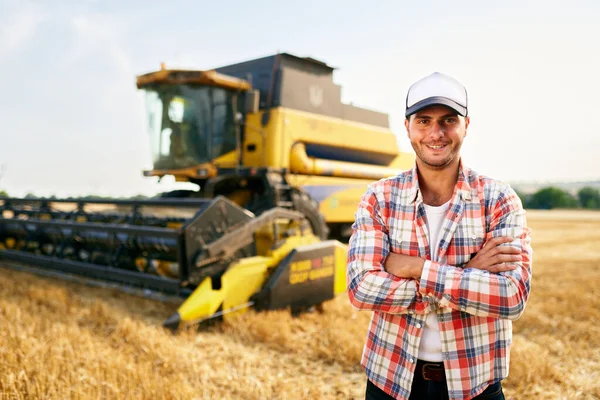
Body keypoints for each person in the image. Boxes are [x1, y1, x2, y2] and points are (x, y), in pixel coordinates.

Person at [346, 72, 532, 400]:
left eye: (448, 120)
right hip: (390, 379)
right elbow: (361, 289)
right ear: (407, 127)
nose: (436, 133)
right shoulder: (379, 198)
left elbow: (511, 297)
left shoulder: (498, 199)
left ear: (466, 125)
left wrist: (418, 268)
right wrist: (469, 274)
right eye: (424, 121)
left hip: (475, 383)